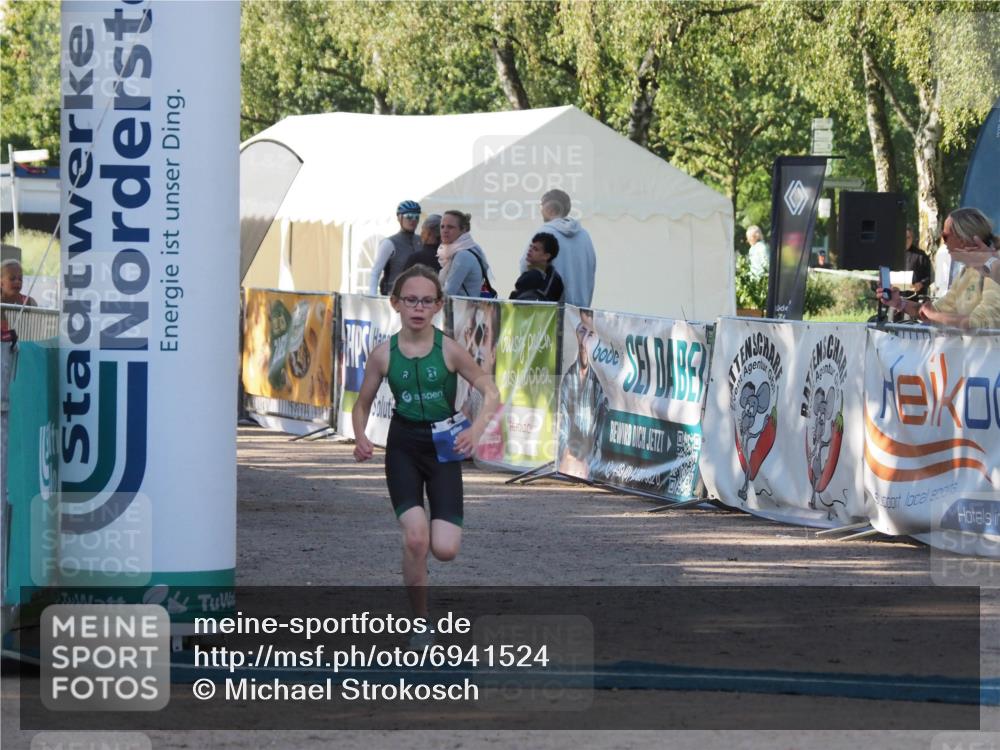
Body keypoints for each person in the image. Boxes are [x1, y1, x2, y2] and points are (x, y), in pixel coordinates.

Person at [352, 265, 499, 640]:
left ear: (438, 306)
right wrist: (360, 436)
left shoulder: (449, 349)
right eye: (411, 300)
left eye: (427, 301)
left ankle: (421, 569)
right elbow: (362, 403)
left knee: (445, 549)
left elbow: (490, 389)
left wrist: (476, 429)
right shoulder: (383, 354)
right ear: (396, 304)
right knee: (416, 538)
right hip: (403, 445)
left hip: (444, 447)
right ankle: (420, 623)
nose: (418, 307)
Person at [880, 208, 1000, 329]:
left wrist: (934, 315)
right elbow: (935, 310)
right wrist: (899, 303)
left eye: (945, 236)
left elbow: (983, 322)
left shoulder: (995, 264)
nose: (943, 242)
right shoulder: (967, 270)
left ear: (962, 240)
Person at [520, 189, 596, 307]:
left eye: (542, 206)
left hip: (550, 314)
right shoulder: (585, 236)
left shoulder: (544, 233)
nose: (540, 210)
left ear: (550, 209)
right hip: (579, 316)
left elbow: (526, 267)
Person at [557, 309, 606, 480]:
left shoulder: (602, 380)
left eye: (591, 333)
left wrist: (592, 462)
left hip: (592, 464)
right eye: (582, 331)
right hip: (569, 463)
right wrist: (567, 457)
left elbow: (602, 430)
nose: (585, 340)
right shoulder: (569, 377)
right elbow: (562, 423)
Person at [368, 200, 423, 296]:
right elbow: (375, 272)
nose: (413, 220)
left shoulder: (421, 241)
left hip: (416, 296)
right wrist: (372, 296)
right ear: (399, 218)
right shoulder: (389, 243)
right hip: (394, 296)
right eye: (408, 216)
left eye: (416, 216)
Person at [437, 210, 492, 298]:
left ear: (463, 229)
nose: (445, 230)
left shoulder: (463, 255)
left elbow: (449, 291)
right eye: (442, 226)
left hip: (465, 310)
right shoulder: (461, 250)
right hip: (462, 309)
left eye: (450, 227)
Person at [510, 232, 564, 302]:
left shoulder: (534, 276)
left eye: (535, 249)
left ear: (546, 256)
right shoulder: (554, 277)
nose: (530, 250)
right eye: (530, 246)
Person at [1, 259, 37, 339]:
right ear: (1, 283)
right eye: (12, 279)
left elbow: (37, 331)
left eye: (20, 279)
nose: (17, 282)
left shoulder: (29, 302)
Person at [902, 225, 932, 296]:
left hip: (914, 298)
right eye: (903, 237)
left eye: (908, 238)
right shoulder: (893, 254)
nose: (905, 240)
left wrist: (921, 284)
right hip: (895, 298)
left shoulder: (920, 255)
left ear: (912, 238)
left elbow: (929, 277)